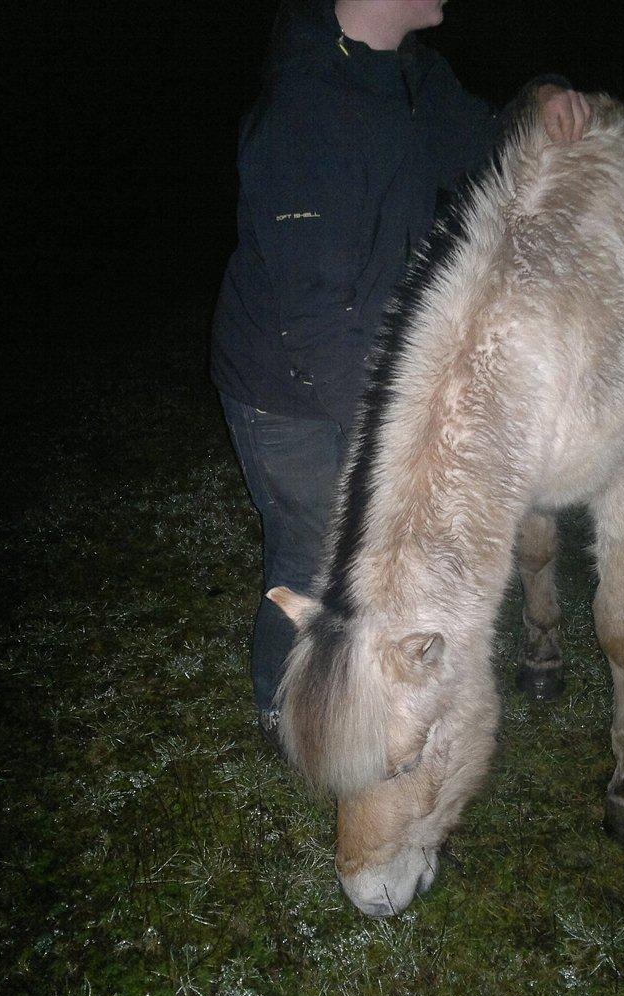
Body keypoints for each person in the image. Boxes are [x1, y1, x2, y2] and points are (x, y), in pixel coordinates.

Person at [210, 0, 590, 750]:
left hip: (360, 359)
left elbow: (487, 144)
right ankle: (278, 709)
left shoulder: (415, 78)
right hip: (285, 387)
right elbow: (312, 315)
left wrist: (543, 96)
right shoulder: (307, 106)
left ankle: (355, 693)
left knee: (367, 556)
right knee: (315, 554)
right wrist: (404, 449)